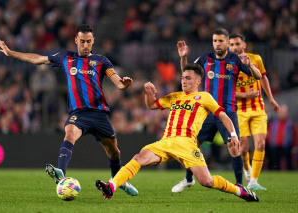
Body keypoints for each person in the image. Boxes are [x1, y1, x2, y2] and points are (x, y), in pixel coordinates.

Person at [0, 24, 138, 196]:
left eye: (89, 42)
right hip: (78, 114)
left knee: (114, 152)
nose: (86, 45)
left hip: (99, 114)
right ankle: (61, 173)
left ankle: (117, 181)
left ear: (93, 41)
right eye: (82, 41)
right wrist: (11, 53)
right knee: (70, 133)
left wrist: (124, 85)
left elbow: (117, 81)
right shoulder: (65, 57)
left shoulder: (102, 61)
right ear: (76, 40)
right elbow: (37, 59)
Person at [95, 63, 259, 202]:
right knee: (139, 157)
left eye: (188, 78)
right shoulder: (175, 96)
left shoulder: (204, 97)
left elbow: (224, 116)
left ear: (198, 81)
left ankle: (239, 191)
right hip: (166, 141)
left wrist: (233, 135)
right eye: (182, 78)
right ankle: (112, 186)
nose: (184, 81)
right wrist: (149, 94)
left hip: (187, 143)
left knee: (207, 181)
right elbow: (152, 105)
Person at [172, 28, 262, 193]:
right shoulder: (205, 59)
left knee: (234, 147)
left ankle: (239, 185)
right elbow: (187, 73)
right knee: (192, 144)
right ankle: (189, 179)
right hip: (207, 112)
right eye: (215, 41)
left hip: (227, 112)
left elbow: (258, 76)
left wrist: (251, 67)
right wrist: (183, 57)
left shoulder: (235, 60)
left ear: (227, 43)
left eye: (221, 41)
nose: (217, 44)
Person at [229, 33, 280, 190]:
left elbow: (263, 78)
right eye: (231, 45)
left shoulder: (256, 58)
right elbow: (228, 91)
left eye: (237, 44)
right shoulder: (228, 65)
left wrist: (270, 98)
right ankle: (247, 171)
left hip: (258, 108)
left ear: (243, 45)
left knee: (260, 144)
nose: (235, 47)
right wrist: (246, 95)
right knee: (243, 148)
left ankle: (254, 181)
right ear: (228, 47)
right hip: (239, 111)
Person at [266, 104, 297, 170]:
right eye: (280, 112)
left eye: (283, 112)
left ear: (286, 113)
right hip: (274, 146)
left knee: (288, 163)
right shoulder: (273, 123)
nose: (281, 114)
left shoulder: (290, 124)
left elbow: (294, 135)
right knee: (274, 163)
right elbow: (269, 134)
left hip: (286, 147)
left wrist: (294, 146)